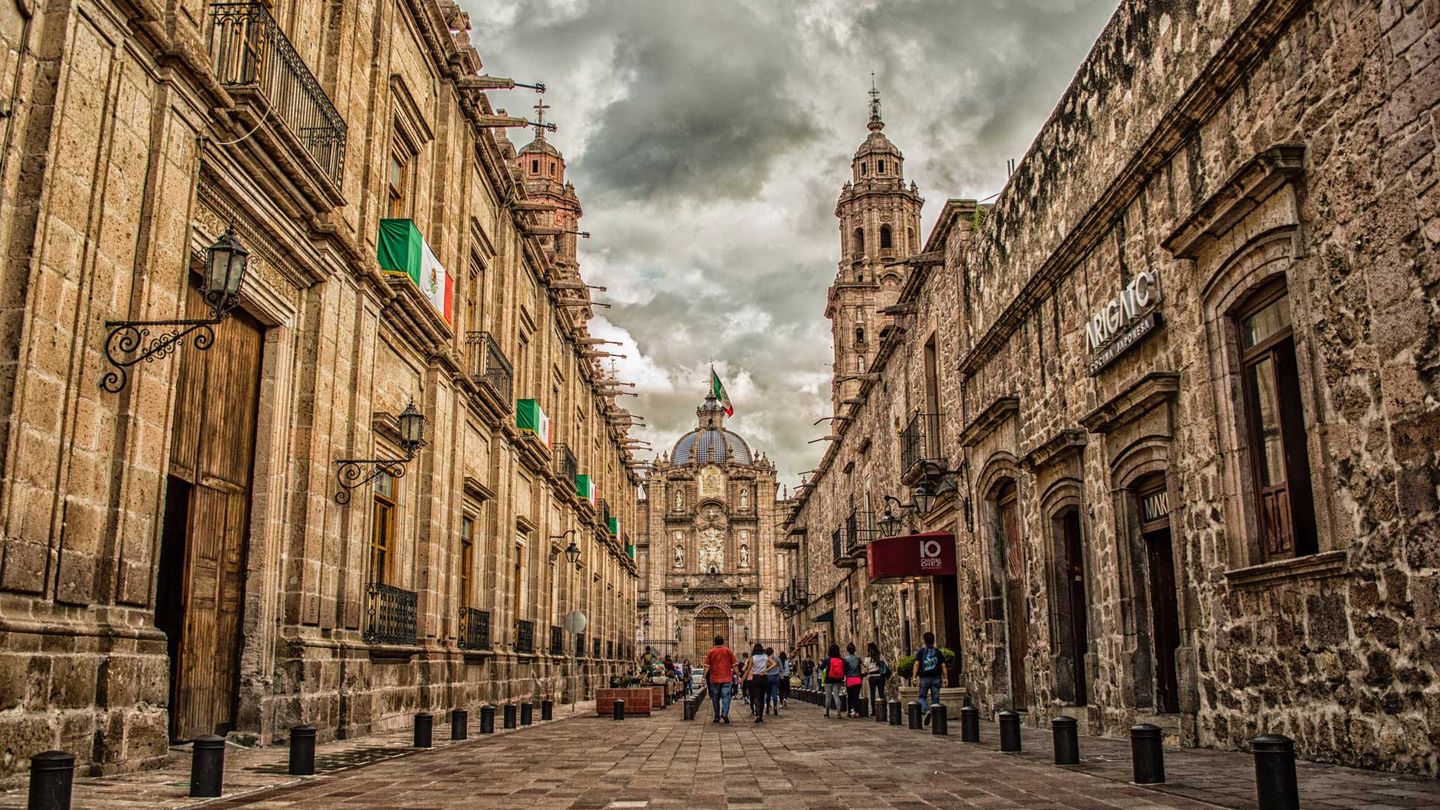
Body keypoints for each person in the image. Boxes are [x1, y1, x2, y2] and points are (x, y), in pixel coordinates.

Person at [913, 631, 948, 726]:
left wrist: (914, 677)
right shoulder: (938, 652)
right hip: (936, 678)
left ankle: (926, 710)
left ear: (924, 641)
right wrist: (945, 678)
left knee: (921, 697)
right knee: (936, 700)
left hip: (924, 678)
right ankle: (937, 722)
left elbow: (916, 664)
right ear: (933, 640)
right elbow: (943, 665)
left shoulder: (921, 651)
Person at [702, 635, 738, 724]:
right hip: (726, 678)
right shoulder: (728, 651)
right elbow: (735, 665)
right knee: (726, 697)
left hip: (714, 679)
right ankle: (725, 713)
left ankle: (717, 716)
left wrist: (703, 677)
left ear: (715, 642)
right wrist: (738, 675)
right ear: (723, 642)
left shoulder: (711, 651)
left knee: (715, 698)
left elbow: (707, 666)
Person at [741, 643, 776, 723]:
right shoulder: (765, 657)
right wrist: (766, 670)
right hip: (764, 677)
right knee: (762, 696)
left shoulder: (752, 658)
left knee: (756, 697)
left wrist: (742, 679)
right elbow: (774, 664)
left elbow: (748, 670)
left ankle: (758, 714)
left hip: (755, 677)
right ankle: (761, 715)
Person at [822, 643, 846, 718]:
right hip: (838, 679)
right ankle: (839, 713)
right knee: (836, 696)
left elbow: (822, 668)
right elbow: (844, 670)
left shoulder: (827, 659)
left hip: (828, 679)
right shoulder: (841, 659)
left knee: (828, 697)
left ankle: (827, 713)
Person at [842, 642, 864, 718]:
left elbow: (844, 670)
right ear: (854, 650)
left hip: (850, 680)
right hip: (857, 679)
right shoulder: (858, 658)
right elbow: (860, 668)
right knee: (856, 696)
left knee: (850, 696)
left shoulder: (845, 659)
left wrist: (844, 677)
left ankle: (849, 711)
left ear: (848, 650)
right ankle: (857, 712)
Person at [864, 641, 889, 708]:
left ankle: (873, 710)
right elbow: (886, 664)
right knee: (881, 693)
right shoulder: (879, 656)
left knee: (872, 694)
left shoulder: (867, 658)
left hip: (871, 677)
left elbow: (866, 668)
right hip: (880, 676)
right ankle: (883, 709)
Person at [764, 646, 781, 716]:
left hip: (768, 677)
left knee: (768, 694)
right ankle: (775, 707)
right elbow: (781, 667)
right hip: (775, 676)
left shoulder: (765, 659)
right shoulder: (777, 658)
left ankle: (767, 708)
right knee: (775, 693)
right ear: (772, 652)